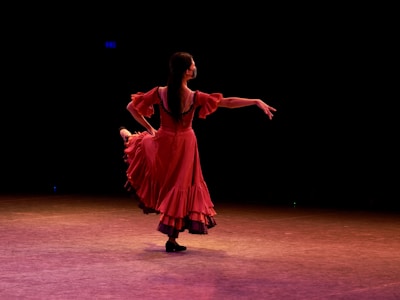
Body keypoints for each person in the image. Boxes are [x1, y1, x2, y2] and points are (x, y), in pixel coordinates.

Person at [120, 51, 277, 252]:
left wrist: (151, 129)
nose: (195, 67)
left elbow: (131, 107)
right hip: (185, 145)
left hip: (165, 141)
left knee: (160, 168)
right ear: (187, 71)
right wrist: (255, 101)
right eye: (193, 64)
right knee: (179, 186)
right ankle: (128, 136)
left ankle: (172, 239)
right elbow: (227, 102)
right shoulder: (193, 97)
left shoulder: (160, 92)